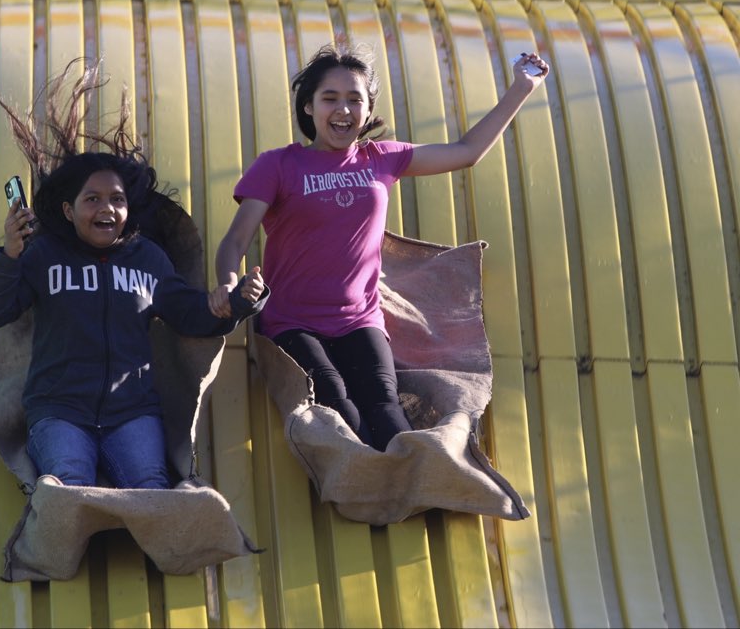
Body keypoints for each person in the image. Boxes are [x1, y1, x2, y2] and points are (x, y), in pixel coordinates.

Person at [210, 41, 548, 451]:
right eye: (330, 98)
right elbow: (235, 240)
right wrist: (228, 284)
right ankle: (358, 482)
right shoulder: (278, 165)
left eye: (355, 100)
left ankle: (412, 481)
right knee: (338, 407)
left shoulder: (381, 159)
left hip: (359, 320)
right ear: (308, 107)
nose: (343, 110)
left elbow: (467, 152)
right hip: (291, 322)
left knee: (387, 413)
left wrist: (521, 88)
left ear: (368, 110)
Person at [0, 59, 267, 489]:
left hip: (133, 413)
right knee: (68, 486)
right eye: (92, 199)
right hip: (58, 411)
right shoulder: (42, 255)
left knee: (152, 489)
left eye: (117, 199)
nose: (107, 208)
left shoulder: (148, 258)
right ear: (68, 210)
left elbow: (190, 313)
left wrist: (239, 301)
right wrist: (10, 255)